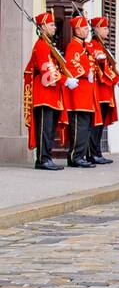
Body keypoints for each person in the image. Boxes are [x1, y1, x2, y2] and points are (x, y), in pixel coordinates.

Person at [23, 11, 66, 171]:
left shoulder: (48, 45)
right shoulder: (41, 45)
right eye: (51, 24)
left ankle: (47, 157)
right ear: (42, 27)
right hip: (43, 93)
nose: (54, 27)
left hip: (51, 94)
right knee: (44, 129)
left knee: (49, 128)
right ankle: (42, 159)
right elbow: (46, 70)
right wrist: (65, 79)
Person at [61, 16, 102, 169]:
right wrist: (85, 72)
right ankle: (75, 156)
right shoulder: (73, 46)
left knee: (85, 126)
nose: (87, 31)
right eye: (84, 28)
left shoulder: (84, 46)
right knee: (80, 126)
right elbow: (71, 65)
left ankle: (80, 155)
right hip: (79, 93)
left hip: (87, 92)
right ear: (77, 29)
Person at [86, 16, 119, 164]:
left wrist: (117, 77)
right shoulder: (94, 46)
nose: (107, 31)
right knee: (96, 125)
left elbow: (110, 66)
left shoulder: (102, 46)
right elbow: (102, 69)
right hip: (100, 89)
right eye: (104, 28)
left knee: (100, 124)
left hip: (106, 89)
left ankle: (97, 152)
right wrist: (116, 79)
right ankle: (93, 153)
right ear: (96, 29)